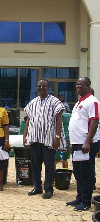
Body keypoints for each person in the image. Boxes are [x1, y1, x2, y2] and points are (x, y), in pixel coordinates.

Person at [23, 79, 66, 199]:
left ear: (48, 87)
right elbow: (28, 120)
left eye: (43, 86)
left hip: (49, 139)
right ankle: (37, 187)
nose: (41, 88)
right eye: (39, 86)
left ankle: (48, 189)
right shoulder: (33, 102)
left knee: (49, 165)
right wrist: (25, 136)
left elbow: (59, 120)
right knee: (35, 165)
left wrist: (57, 137)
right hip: (35, 138)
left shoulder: (55, 102)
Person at [66, 77, 100, 211]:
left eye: (80, 84)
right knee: (78, 171)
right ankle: (79, 197)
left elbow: (94, 122)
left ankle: (86, 201)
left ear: (87, 85)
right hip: (77, 143)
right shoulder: (79, 102)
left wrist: (87, 142)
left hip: (86, 144)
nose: (77, 87)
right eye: (76, 85)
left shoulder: (92, 102)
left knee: (86, 172)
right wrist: (72, 143)